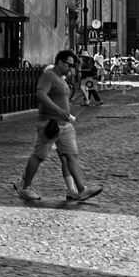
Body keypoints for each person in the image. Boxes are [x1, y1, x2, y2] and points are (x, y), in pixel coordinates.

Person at [13, 50, 103, 203]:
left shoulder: (61, 78)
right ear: (60, 62)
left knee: (71, 155)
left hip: (64, 124)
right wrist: (59, 111)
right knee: (39, 155)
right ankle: (25, 187)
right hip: (49, 123)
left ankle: (81, 190)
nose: (71, 68)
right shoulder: (49, 76)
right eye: (69, 65)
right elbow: (41, 94)